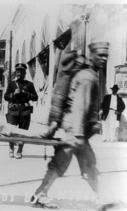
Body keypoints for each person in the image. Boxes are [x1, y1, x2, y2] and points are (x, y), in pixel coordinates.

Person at [30, 41, 109, 209]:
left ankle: (101, 196)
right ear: (92, 56)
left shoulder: (90, 74)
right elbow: (80, 107)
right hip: (74, 126)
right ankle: (40, 194)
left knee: (88, 161)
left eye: (106, 56)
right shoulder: (88, 77)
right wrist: (78, 135)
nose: (103, 59)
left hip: (76, 126)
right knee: (62, 161)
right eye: (100, 55)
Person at [4, 63, 38, 159]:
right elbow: (6, 97)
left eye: (21, 72)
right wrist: (13, 94)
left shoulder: (29, 84)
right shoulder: (11, 84)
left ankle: (19, 150)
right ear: (16, 73)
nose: (19, 74)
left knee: (23, 132)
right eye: (17, 72)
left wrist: (26, 93)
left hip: (25, 111)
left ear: (25, 73)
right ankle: (11, 149)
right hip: (13, 110)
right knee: (11, 131)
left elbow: (35, 97)